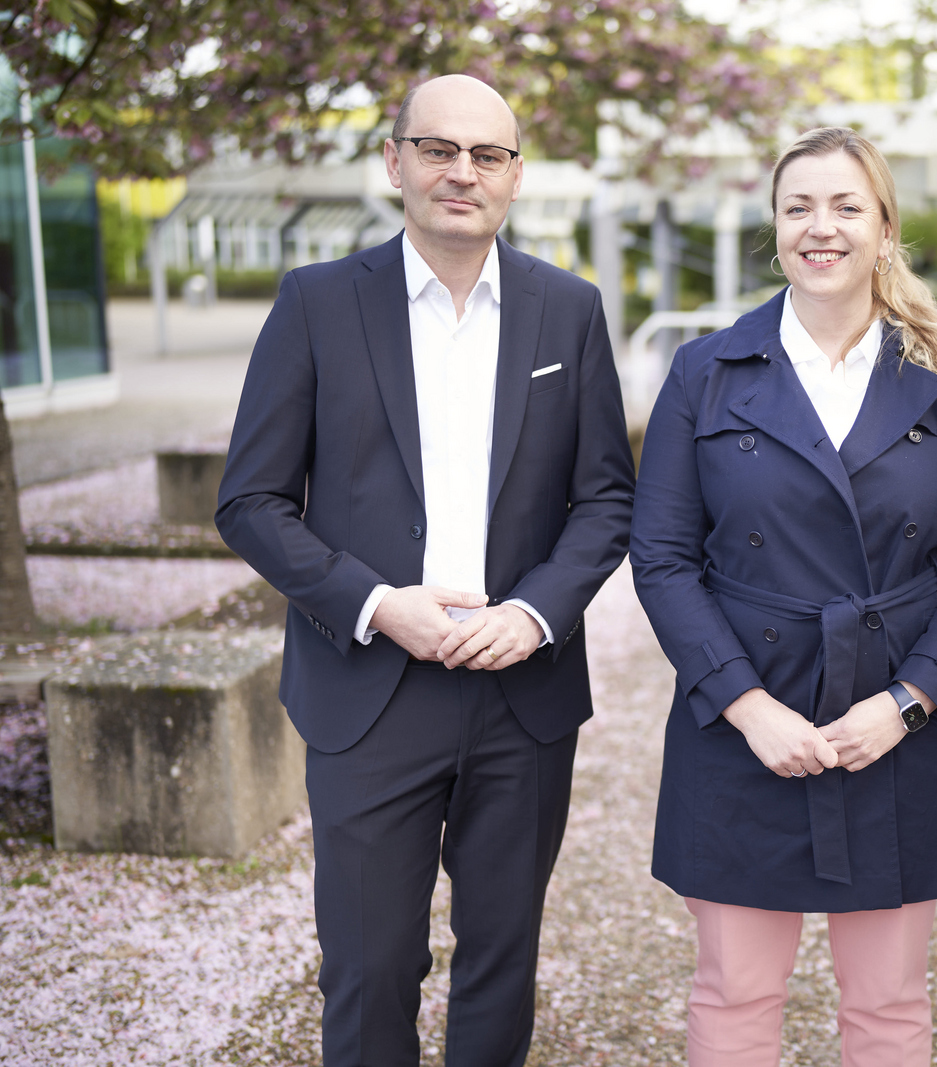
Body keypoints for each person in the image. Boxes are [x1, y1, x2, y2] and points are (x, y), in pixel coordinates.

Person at [215, 74, 634, 1066]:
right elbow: (250, 500)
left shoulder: (568, 311)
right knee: (368, 965)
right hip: (368, 690)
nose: (462, 171)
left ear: (516, 177)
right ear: (393, 161)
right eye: (439, 148)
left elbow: (609, 496)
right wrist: (374, 604)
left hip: (521, 693)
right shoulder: (317, 303)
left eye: (486, 154)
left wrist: (536, 612)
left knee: (501, 957)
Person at [630, 126, 937, 1067]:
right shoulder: (706, 370)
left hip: (896, 725)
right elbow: (663, 558)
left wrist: (905, 703)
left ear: (885, 228)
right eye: (799, 206)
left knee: (888, 1003)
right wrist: (747, 706)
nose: (822, 227)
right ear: (775, 228)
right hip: (740, 721)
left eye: (846, 206)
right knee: (734, 992)